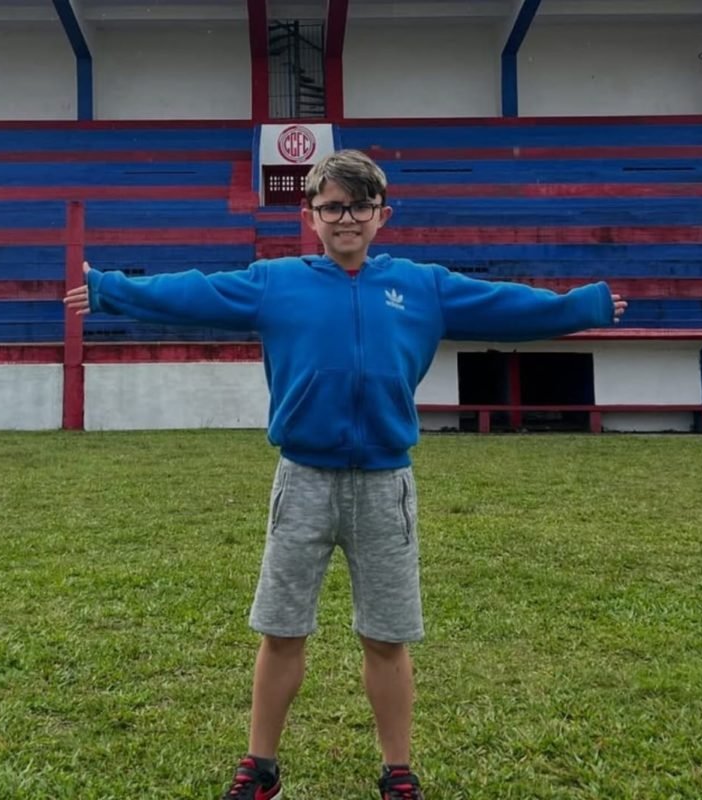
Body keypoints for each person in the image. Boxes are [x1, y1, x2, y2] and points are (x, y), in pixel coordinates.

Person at [64, 149, 627, 800]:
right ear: (310, 216)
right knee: (282, 630)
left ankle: (397, 770)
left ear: (381, 215)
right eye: (332, 206)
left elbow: (508, 308)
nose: (346, 218)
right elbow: (196, 291)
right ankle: (262, 767)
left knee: (387, 637)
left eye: (359, 205)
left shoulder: (423, 287)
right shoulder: (278, 282)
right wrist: (110, 289)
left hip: (385, 486)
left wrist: (581, 305)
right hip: (303, 480)